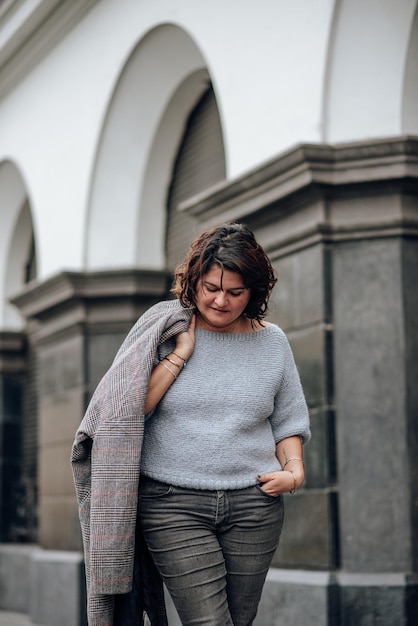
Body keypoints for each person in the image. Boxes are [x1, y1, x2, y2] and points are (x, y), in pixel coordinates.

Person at [72, 222, 310, 626]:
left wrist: (294, 471)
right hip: (172, 505)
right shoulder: (163, 330)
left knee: (239, 620)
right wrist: (180, 353)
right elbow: (127, 412)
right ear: (193, 281)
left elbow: (286, 419)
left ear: (255, 291)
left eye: (235, 292)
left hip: (255, 505)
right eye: (211, 288)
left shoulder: (272, 342)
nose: (221, 301)